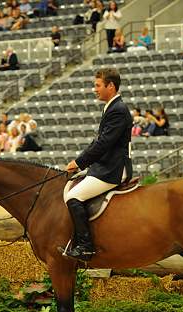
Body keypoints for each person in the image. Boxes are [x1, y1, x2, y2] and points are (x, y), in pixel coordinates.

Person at [63, 68, 132, 261]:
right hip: (105, 165)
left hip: (113, 169)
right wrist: (79, 161)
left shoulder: (118, 110)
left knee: (73, 197)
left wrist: (79, 162)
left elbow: (103, 144)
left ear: (110, 86)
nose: (95, 89)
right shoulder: (111, 107)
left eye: (98, 85)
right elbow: (98, 141)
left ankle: (86, 247)